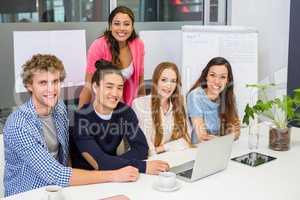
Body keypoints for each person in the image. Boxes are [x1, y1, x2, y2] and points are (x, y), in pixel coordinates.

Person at [3, 54, 140, 197]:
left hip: (58, 190)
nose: (51, 89)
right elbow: (56, 174)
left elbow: (65, 154)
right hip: (27, 194)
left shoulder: (59, 107)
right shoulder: (18, 125)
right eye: (43, 83)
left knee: (122, 197)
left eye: (55, 81)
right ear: (29, 85)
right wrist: (114, 175)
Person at [70, 60, 169, 175]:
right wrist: (143, 166)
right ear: (95, 87)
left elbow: (141, 149)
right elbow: (99, 163)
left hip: (116, 175)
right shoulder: (81, 117)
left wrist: (113, 163)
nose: (115, 93)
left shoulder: (125, 112)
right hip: (86, 180)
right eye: (109, 87)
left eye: (119, 88)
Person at [78, 6, 145, 107]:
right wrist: (81, 113)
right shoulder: (99, 46)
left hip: (128, 105)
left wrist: (143, 109)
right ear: (110, 26)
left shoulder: (138, 45)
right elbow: (88, 85)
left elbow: (140, 82)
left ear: (132, 26)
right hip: (103, 105)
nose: (121, 28)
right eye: (117, 23)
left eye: (126, 24)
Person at [132, 62, 191, 156]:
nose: (169, 85)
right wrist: (172, 147)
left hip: (172, 157)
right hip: (148, 161)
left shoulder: (179, 102)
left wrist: (162, 148)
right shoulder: (140, 104)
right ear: (155, 81)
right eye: (164, 80)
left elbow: (187, 139)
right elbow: (147, 148)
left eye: (173, 81)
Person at [186, 57, 240, 143]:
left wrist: (228, 137)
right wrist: (226, 138)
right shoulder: (195, 96)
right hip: (200, 150)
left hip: (222, 148)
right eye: (212, 75)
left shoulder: (229, 97)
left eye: (222, 77)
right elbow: (202, 137)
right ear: (206, 76)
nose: (217, 81)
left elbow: (236, 133)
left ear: (227, 80)